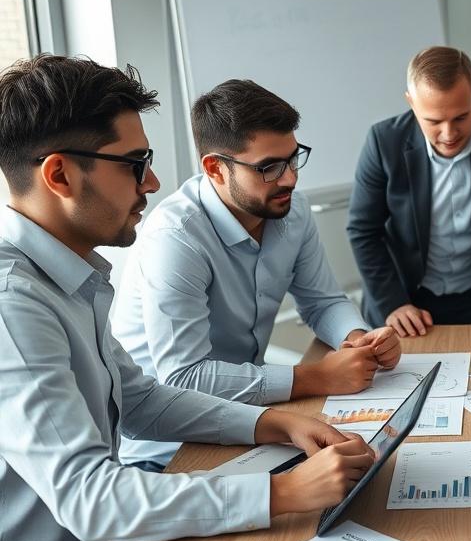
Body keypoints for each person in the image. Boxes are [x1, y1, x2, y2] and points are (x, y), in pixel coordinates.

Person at [0, 56, 374, 541]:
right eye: (135, 164)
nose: (151, 183)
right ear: (60, 175)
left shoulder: (67, 274)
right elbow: (91, 498)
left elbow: (141, 398)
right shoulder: (14, 307)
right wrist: (279, 492)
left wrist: (274, 425)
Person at [112, 79, 399, 470]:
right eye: (269, 167)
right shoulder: (175, 238)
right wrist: (314, 378)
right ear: (215, 168)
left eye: (293, 158)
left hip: (255, 425)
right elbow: (185, 379)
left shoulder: (291, 211)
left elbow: (323, 301)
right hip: (169, 453)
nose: (290, 179)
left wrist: (361, 341)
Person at [347, 46, 471, 338]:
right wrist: (393, 304)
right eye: (433, 122)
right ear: (411, 102)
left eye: (461, 117)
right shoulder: (383, 141)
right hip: (404, 300)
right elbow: (363, 230)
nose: (449, 134)